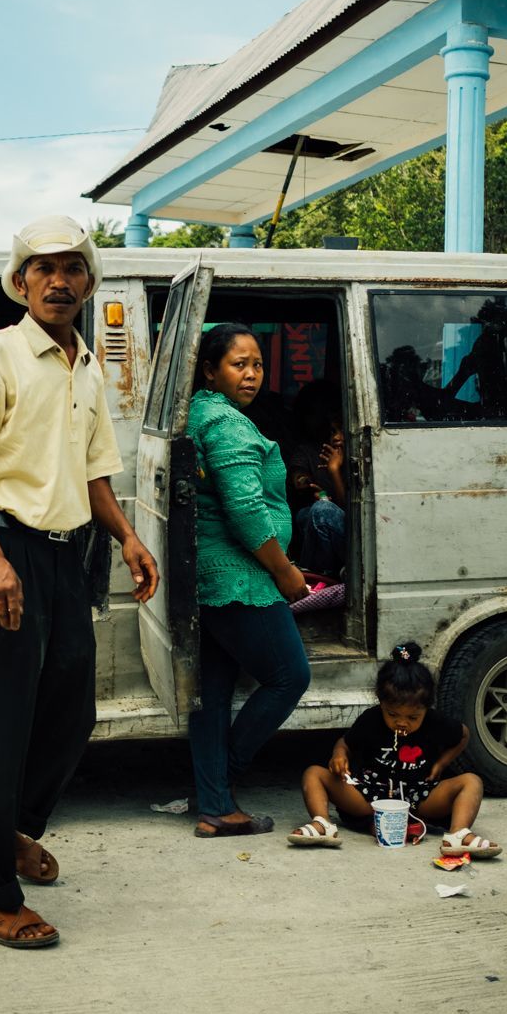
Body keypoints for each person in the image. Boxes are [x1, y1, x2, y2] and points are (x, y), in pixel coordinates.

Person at [0, 215, 159, 949]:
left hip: (70, 557)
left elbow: (93, 471)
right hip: (4, 550)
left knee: (71, 713)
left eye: (73, 269)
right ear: (22, 282)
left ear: (89, 284)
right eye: (45, 268)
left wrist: (127, 536)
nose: (60, 281)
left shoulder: (87, 366)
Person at [187, 322, 311, 838]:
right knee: (289, 676)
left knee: (213, 694)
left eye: (258, 364)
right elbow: (245, 510)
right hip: (241, 576)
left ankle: (214, 802)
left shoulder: (203, 412)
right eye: (239, 364)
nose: (253, 374)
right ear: (211, 370)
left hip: (212, 575)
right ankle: (222, 781)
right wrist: (286, 574)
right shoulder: (228, 425)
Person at [288, 640, 502, 856]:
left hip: (420, 796)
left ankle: (458, 835)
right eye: (392, 714)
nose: (402, 723)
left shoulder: (436, 722)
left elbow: (463, 735)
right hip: (370, 795)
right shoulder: (371, 719)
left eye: (412, 717)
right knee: (313, 773)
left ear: (426, 709)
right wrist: (339, 755)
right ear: (381, 703)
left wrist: (441, 763)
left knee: (472, 781)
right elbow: (345, 743)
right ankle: (322, 825)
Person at [286, 381, 346, 579]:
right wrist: (304, 481)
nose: (336, 437)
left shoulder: (358, 456)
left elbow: (349, 509)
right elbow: (298, 474)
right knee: (307, 513)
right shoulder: (310, 450)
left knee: (322, 511)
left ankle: (316, 577)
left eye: (340, 430)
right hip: (332, 522)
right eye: (332, 431)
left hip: (353, 531)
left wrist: (335, 471)